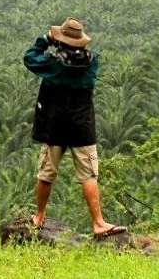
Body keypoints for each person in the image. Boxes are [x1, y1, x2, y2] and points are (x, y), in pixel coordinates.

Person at [23, 17, 126, 238]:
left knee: (46, 172)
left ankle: (39, 216)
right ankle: (98, 222)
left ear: (61, 41)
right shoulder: (93, 62)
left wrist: (45, 40)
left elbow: (30, 58)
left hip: (54, 126)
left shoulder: (53, 65)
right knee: (88, 175)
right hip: (82, 127)